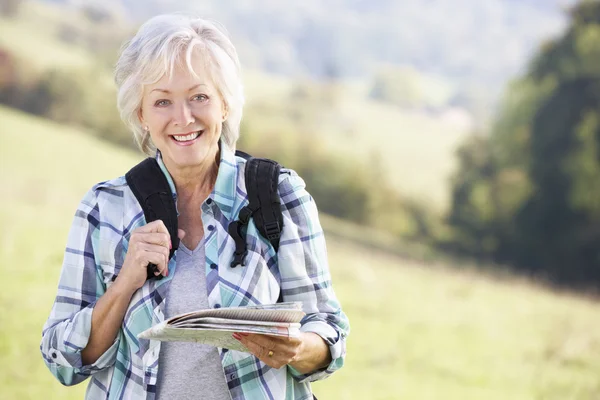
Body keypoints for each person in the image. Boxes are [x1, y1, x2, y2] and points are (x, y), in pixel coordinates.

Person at [40, 13, 349, 400]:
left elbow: (329, 332)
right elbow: (62, 362)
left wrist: (299, 347)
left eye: (199, 96)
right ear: (142, 115)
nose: (183, 118)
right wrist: (124, 283)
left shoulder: (279, 195)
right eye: (162, 101)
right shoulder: (105, 207)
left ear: (224, 103)